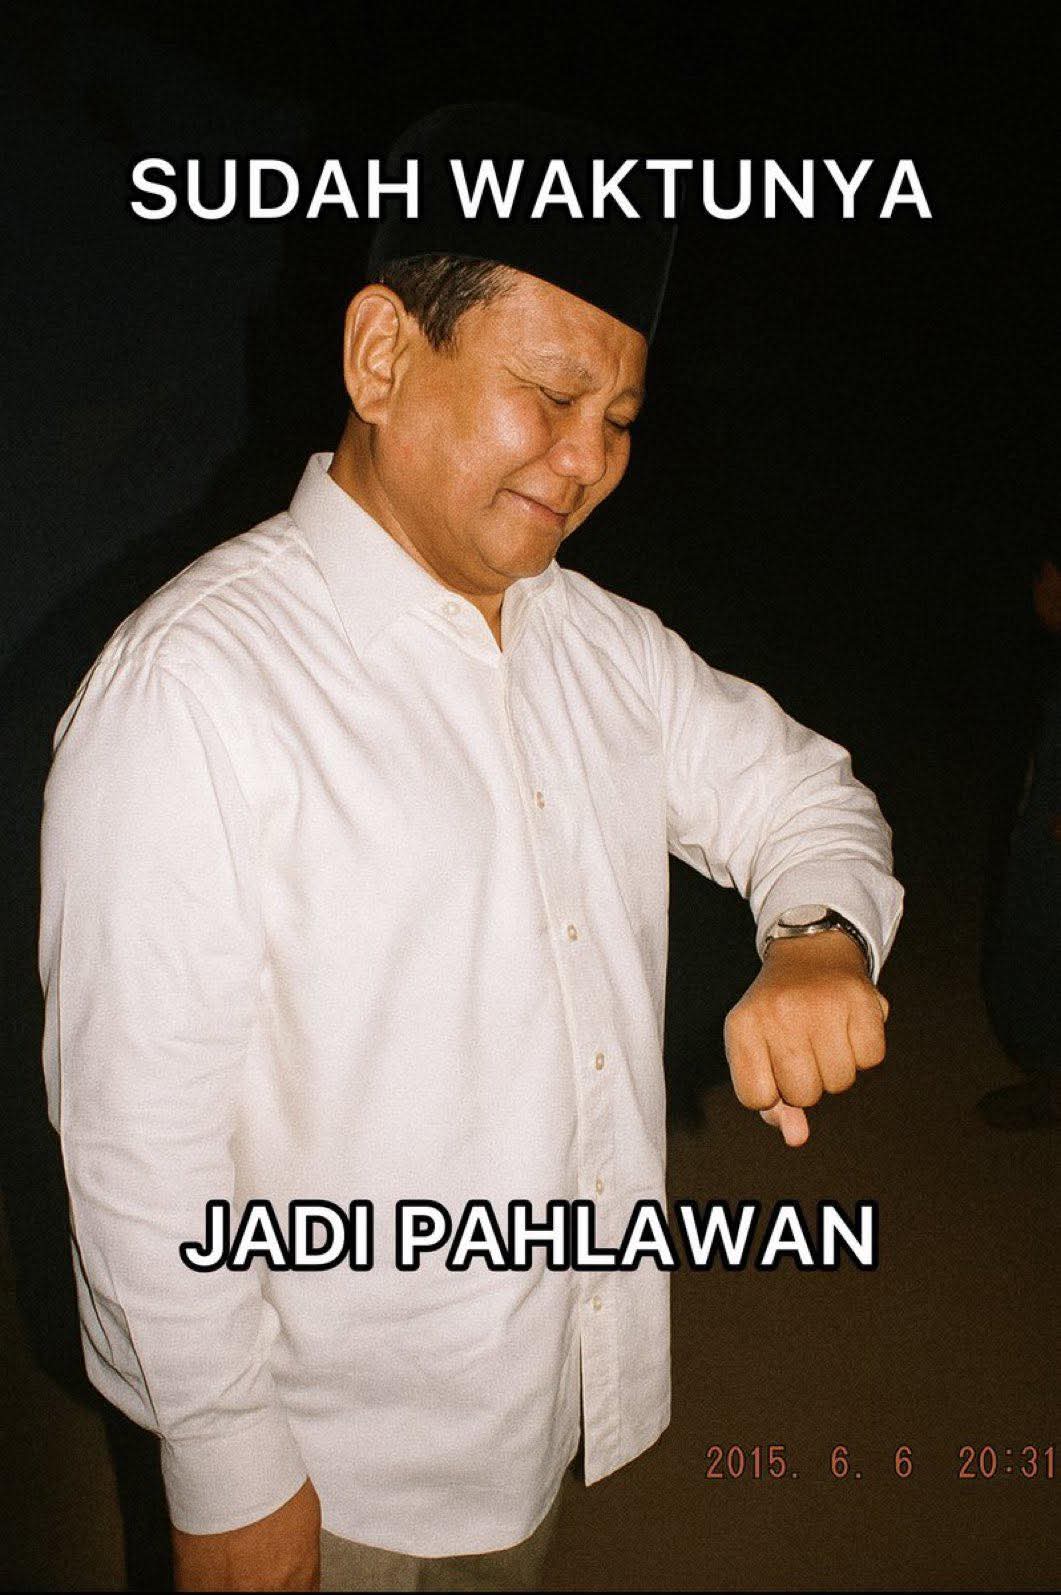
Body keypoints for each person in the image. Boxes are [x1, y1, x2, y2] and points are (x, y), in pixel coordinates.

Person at [38, 105, 904, 1592]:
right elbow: (135, 1139)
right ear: (382, 356)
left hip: (536, 1412)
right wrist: (226, 1467)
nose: (587, 461)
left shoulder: (599, 643)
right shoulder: (198, 687)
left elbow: (804, 796)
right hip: (333, 1469)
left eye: (619, 420)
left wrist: (818, 935)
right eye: (552, 395)